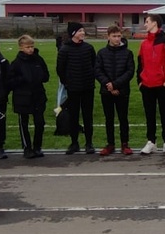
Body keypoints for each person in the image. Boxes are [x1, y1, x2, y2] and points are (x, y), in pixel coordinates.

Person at [137, 14, 165, 154]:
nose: (145, 24)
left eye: (147, 21)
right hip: (147, 84)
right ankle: (151, 141)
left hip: (162, 85)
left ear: (154, 23)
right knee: (149, 114)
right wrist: (140, 81)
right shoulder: (144, 44)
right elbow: (140, 64)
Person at [57, 22, 97, 154]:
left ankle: (89, 143)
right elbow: (60, 69)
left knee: (88, 116)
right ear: (73, 33)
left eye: (83, 30)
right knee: (73, 116)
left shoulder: (89, 48)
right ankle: (74, 143)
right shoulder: (65, 50)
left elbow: (94, 65)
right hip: (73, 89)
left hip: (88, 88)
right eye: (80, 31)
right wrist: (68, 83)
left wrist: (90, 79)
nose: (83, 33)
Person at [95, 26, 135, 155]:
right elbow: (98, 71)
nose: (117, 39)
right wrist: (109, 85)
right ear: (108, 37)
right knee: (109, 119)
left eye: (119, 36)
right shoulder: (101, 53)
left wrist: (115, 85)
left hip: (122, 91)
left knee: (123, 118)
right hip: (106, 91)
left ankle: (125, 144)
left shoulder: (127, 53)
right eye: (114, 36)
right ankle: (110, 144)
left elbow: (130, 72)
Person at [10, 35, 50, 159]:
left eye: (32, 46)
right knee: (24, 123)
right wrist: (23, 79)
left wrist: (40, 76)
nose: (30, 49)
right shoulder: (16, 63)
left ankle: (37, 147)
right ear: (21, 47)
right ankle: (27, 148)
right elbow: (10, 81)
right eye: (27, 47)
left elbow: (46, 76)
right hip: (22, 97)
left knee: (40, 122)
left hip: (38, 95)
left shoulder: (38, 60)